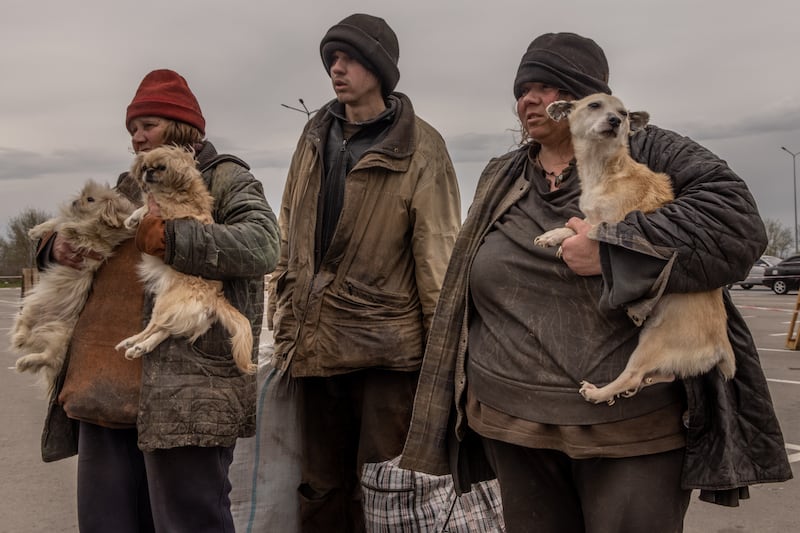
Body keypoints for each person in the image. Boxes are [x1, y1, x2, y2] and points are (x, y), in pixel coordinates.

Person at [400, 32, 793, 532]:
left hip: (629, 431)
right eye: (523, 89)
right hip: (511, 422)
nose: (530, 100)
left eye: (548, 87)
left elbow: (737, 227)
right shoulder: (504, 173)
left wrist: (614, 248)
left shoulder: (646, 148)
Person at [37, 68, 280, 532]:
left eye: (147, 124)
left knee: (188, 522)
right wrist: (54, 248)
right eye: (132, 129)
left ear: (183, 126)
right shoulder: (133, 186)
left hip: (187, 391)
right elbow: (82, 224)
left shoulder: (226, 177)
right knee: (108, 521)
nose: (137, 137)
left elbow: (263, 244)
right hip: (107, 385)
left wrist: (175, 238)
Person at [268, 13, 461, 532]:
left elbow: (437, 256)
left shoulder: (422, 145)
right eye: (331, 58)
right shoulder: (314, 135)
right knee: (319, 488)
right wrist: (283, 318)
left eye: (348, 57)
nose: (336, 67)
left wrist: (444, 367)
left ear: (378, 67)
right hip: (315, 345)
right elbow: (290, 230)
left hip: (387, 354)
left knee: (383, 492)